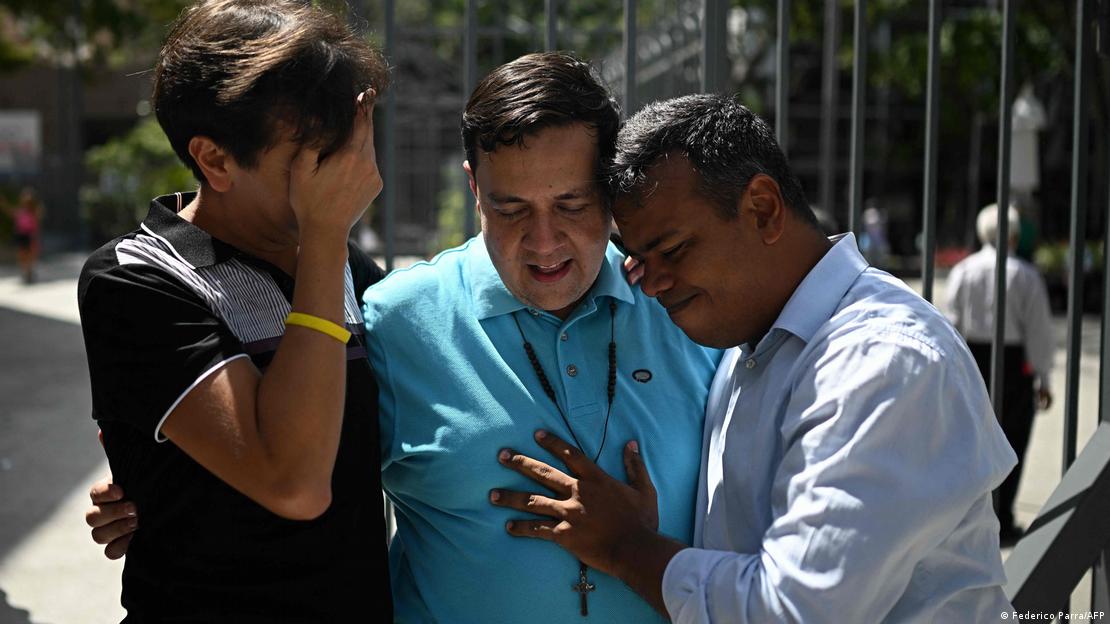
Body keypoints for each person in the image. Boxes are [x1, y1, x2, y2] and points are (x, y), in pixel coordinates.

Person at [86, 52, 720, 622]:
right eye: (511, 208)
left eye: (574, 205)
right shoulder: (389, 316)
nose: (545, 240)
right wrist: (165, 491)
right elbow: (297, 459)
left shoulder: (693, 307)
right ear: (474, 188)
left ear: (610, 190)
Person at [490, 94, 1017, 623]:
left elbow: (792, 611)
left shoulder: (881, 362)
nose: (650, 285)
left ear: (762, 209)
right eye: (638, 260)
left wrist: (627, 549)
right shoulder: (754, 348)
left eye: (671, 251)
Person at [77, 0, 392, 620]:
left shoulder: (349, 270)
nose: (347, 175)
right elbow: (294, 484)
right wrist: (325, 238)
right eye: (313, 157)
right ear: (216, 160)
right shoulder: (138, 280)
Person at [945, 203, 1055, 545]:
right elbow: (1038, 331)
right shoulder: (1024, 274)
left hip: (973, 357)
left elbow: (950, 322)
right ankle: (1002, 517)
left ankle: (966, 518)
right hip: (1013, 363)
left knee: (971, 438)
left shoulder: (963, 271)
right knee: (1012, 439)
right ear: (1012, 234)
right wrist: (1044, 376)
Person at [2, 187, 43, 284]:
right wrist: (3, 203)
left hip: (29, 235)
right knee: (22, 255)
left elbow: (36, 226)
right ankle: (26, 273)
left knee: (30, 256)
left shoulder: (34, 213)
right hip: (21, 235)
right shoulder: (21, 212)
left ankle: (29, 273)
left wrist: (35, 238)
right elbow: (10, 211)